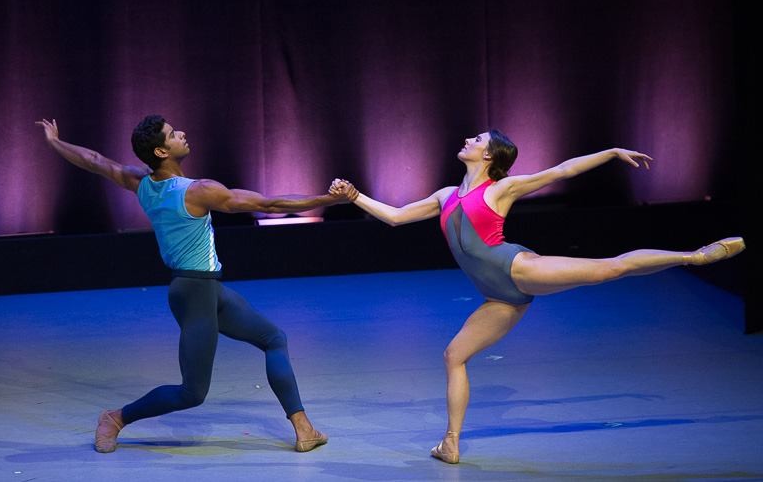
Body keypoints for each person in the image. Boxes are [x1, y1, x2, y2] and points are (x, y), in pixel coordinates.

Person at [330, 129, 745, 464]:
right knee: (454, 356)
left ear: (490, 156)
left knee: (607, 268)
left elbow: (561, 170)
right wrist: (355, 197)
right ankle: (451, 443)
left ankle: (694, 255)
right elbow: (397, 217)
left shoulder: (502, 188)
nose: (469, 141)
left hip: (518, 269)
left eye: (477, 140)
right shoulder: (445, 195)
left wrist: (611, 151)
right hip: (498, 298)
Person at [37, 115, 342, 454]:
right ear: (160, 150)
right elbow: (268, 204)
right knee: (192, 393)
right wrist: (328, 200)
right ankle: (115, 418)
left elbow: (95, 161)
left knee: (274, 339)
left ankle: (304, 428)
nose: (181, 133)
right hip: (194, 292)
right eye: (172, 134)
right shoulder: (198, 191)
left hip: (208, 289)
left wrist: (55, 143)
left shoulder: (140, 181)